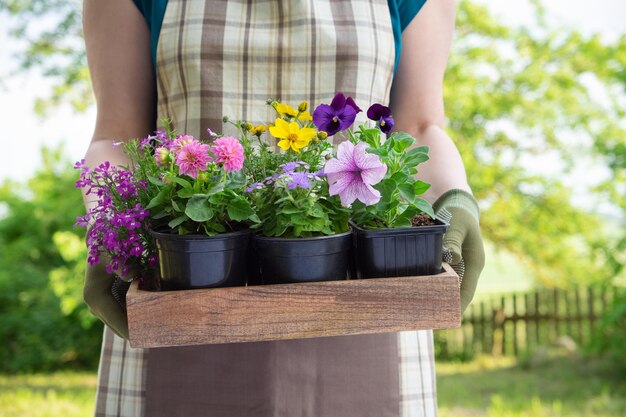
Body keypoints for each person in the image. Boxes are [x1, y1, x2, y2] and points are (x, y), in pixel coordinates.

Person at [81, 0, 485, 415]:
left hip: (368, 296)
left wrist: (456, 200)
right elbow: (118, 134)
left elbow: (419, 126)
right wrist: (108, 221)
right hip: (185, 294)